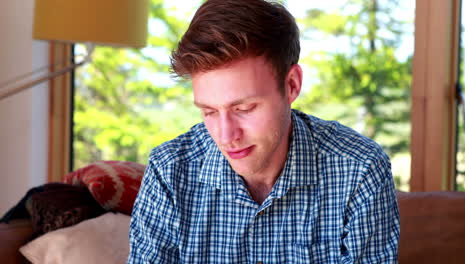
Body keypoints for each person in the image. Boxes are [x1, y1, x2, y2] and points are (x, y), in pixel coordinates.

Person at [127, 0, 400, 263]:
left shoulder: (360, 169)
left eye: (244, 108)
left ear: (291, 85)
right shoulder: (169, 170)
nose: (226, 136)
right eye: (209, 112)